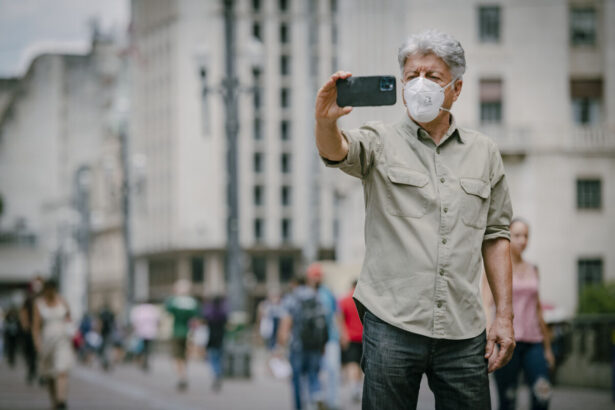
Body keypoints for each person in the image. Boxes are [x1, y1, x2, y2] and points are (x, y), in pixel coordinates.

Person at [315, 29, 515, 409]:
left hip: (464, 327)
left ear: (456, 88)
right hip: (391, 323)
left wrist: (503, 316)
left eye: (433, 77)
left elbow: (496, 234)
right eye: (411, 76)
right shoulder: (378, 141)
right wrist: (325, 122)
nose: (420, 85)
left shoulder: (485, 152)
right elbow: (337, 150)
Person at [488, 219, 554, 409]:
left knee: (543, 393)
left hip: (534, 342)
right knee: (507, 399)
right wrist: (489, 344)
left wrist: (547, 349)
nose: (522, 240)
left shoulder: (533, 269)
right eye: (517, 235)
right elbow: (486, 304)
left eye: (526, 236)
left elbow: (538, 308)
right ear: (508, 237)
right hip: (507, 343)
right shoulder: (497, 268)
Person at [278, 275, 327, 410]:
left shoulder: (292, 298)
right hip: (315, 344)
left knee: (298, 379)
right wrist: (323, 344)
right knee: (313, 375)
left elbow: (286, 322)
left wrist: (280, 344)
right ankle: (316, 398)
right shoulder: (317, 297)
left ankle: (300, 406)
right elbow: (323, 322)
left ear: (294, 283)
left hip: (297, 345)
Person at [306, 263, 343, 410]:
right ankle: (315, 400)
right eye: (314, 276)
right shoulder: (305, 293)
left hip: (330, 338)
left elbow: (337, 314)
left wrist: (342, 333)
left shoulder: (327, 293)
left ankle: (333, 401)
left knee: (333, 369)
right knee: (314, 371)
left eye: (318, 276)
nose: (316, 279)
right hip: (311, 341)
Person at [32, 279, 73, 410]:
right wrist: (37, 343)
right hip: (47, 340)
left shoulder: (62, 301)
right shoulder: (39, 304)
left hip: (62, 339)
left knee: (62, 369)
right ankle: (54, 402)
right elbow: (36, 326)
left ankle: (62, 401)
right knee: (50, 374)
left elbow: (69, 318)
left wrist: (71, 330)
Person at [165, 279, 199, 391]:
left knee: (177, 356)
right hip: (189, 332)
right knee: (185, 356)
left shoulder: (173, 301)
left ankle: (181, 376)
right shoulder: (192, 302)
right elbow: (196, 318)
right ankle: (184, 374)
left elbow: (167, 310)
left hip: (177, 331)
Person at [339, 280, 363, 403]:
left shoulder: (345, 299)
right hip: (365, 337)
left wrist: (343, 335)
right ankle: (358, 386)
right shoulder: (364, 299)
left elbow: (340, 319)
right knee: (360, 365)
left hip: (351, 337)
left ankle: (355, 387)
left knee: (352, 364)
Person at [20, 276, 43, 384]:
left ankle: (42, 374)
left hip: (42, 330)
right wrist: (25, 325)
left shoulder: (44, 297)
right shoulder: (29, 298)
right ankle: (31, 371)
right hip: (31, 330)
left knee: (41, 353)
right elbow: (23, 312)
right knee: (31, 353)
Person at [202, 295, 228, 391]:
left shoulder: (209, 314)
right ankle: (218, 373)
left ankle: (216, 374)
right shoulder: (223, 314)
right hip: (221, 339)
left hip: (211, 339)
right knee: (219, 358)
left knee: (213, 359)